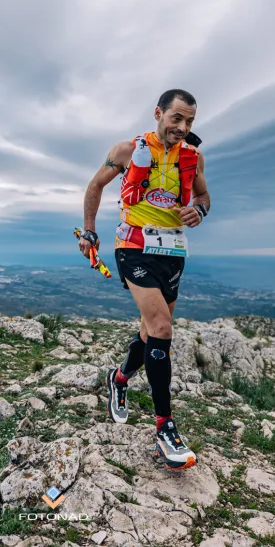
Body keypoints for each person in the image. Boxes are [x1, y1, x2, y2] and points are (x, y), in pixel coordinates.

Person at [78, 88, 210, 470]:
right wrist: (89, 231)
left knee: (151, 333)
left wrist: (200, 211)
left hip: (173, 251)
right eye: (176, 118)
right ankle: (165, 428)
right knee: (162, 327)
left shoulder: (193, 156)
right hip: (133, 246)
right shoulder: (127, 150)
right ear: (158, 113)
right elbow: (95, 186)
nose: (182, 127)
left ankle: (119, 379)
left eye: (189, 121)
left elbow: (203, 197)